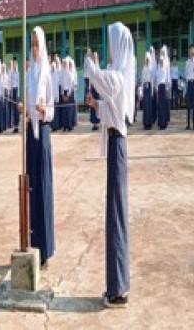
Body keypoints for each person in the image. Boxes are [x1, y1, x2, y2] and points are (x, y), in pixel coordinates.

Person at [86, 22, 135, 309]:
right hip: (117, 144)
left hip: (118, 146)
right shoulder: (121, 77)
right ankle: (117, 285)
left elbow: (98, 77)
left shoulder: (117, 77)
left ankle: (118, 290)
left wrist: (89, 64)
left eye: (111, 43)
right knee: (115, 214)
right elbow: (111, 110)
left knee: (116, 216)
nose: (110, 50)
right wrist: (95, 105)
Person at [18, 26, 55, 270]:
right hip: (30, 133)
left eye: (36, 44)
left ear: (42, 46)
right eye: (31, 44)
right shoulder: (30, 74)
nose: (33, 48)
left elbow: (52, 107)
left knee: (43, 188)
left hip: (42, 133)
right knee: (30, 188)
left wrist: (44, 111)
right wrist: (25, 109)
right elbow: (29, 103)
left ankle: (46, 248)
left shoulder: (46, 74)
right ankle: (33, 242)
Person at [185, 45, 194, 130]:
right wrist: (188, 80)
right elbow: (186, 73)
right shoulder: (187, 62)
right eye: (191, 50)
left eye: (193, 50)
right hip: (189, 83)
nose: (192, 52)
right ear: (189, 51)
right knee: (188, 105)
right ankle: (188, 124)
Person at [156, 54, 170, 130]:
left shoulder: (165, 69)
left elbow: (167, 80)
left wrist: (167, 89)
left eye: (162, 61)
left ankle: (164, 123)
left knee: (163, 106)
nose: (161, 62)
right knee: (160, 106)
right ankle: (160, 123)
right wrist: (157, 89)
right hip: (159, 87)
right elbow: (157, 80)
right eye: (160, 61)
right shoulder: (158, 70)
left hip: (163, 87)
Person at [142, 52, 154, 130]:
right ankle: (145, 123)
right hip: (145, 86)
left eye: (148, 59)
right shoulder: (144, 68)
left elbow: (152, 80)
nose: (147, 61)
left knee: (149, 106)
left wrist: (152, 90)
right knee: (145, 106)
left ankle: (149, 122)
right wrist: (142, 90)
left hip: (149, 86)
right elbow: (143, 79)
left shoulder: (151, 68)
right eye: (146, 59)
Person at [61, 58, 73, 131]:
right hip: (64, 92)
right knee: (64, 111)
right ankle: (65, 126)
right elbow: (62, 85)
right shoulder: (62, 74)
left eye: (66, 63)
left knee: (68, 110)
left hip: (68, 92)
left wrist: (67, 95)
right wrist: (62, 94)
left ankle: (69, 126)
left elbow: (70, 85)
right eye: (64, 63)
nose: (65, 65)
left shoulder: (69, 73)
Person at [89, 52, 101, 131]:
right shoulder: (91, 67)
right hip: (93, 88)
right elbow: (90, 79)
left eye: (95, 57)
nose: (94, 58)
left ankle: (98, 122)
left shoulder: (98, 68)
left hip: (98, 88)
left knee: (98, 105)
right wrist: (89, 90)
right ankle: (94, 123)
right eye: (93, 57)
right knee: (92, 106)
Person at [10, 58, 20, 133]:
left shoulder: (18, 73)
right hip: (12, 90)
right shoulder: (11, 72)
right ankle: (14, 126)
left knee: (17, 109)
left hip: (16, 91)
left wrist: (18, 94)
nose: (14, 65)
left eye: (15, 64)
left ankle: (17, 126)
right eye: (13, 64)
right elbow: (9, 82)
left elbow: (19, 84)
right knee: (13, 109)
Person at [51, 58, 61, 131]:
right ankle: (53, 126)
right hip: (51, 95)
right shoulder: (50, 74)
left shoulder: (57, 74)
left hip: (56, 95)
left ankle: (57, 125)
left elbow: (57, 85)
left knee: (56, 112)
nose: (52, 68)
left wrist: (57, 95)